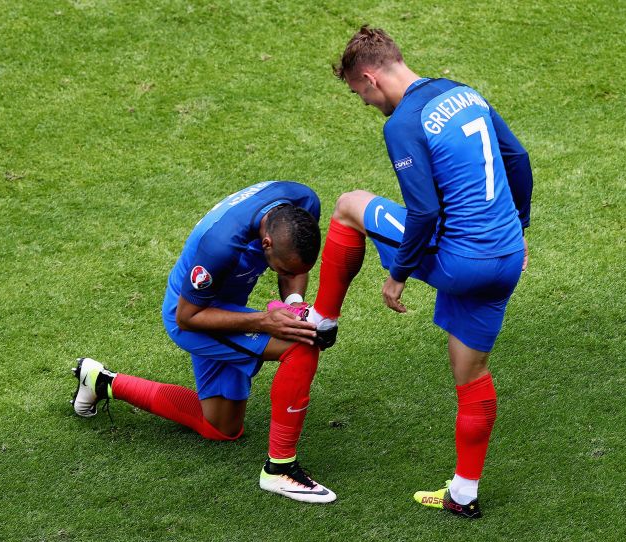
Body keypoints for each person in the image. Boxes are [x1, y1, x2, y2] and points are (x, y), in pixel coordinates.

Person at [312, 26, 533, 518]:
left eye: (359, 94)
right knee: (469, 371)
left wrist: (399, 274)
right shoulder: (462, 92)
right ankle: (463, 493)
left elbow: (425, 213)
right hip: (505, 262)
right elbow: (517, 157)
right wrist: (519, 226)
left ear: (370, 78)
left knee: (351, 205)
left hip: (460, 262)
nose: (366, 103)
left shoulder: (402, 123)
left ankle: (322, 320)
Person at [70, 180, 336, 503]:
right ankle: (280, 468)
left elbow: (294, 267)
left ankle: (100, 381)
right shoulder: (221, 244)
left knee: (222, 427)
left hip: (227, 306)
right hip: (195, 314)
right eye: (281, 267)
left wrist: (294, 303)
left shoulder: (302, 205)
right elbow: (187, 317)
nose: (288, 272)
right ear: (266, 243)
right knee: (302, 345)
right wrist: (265, 321)